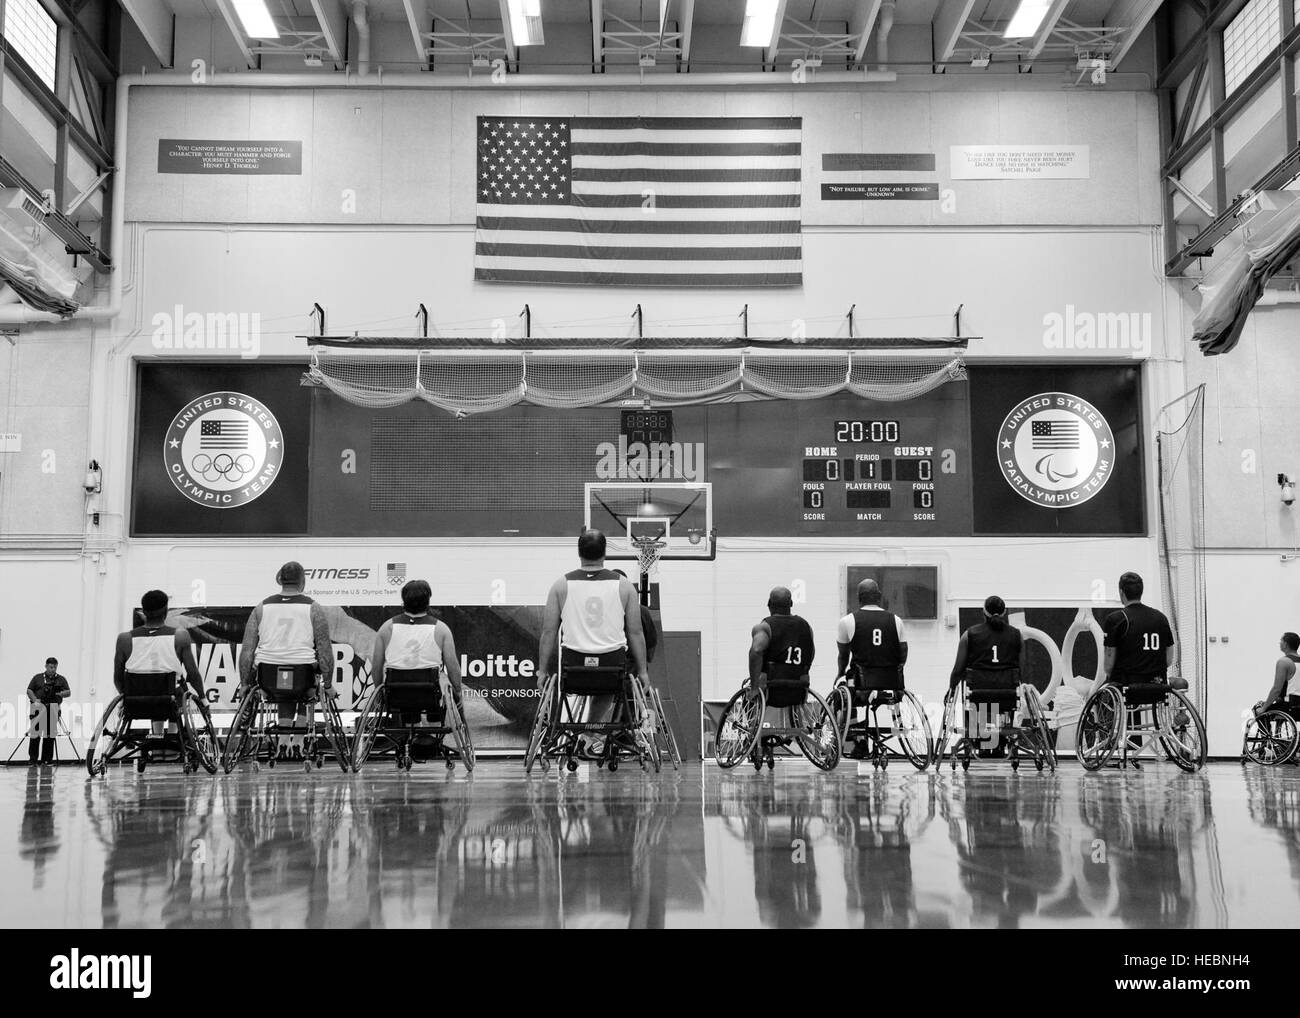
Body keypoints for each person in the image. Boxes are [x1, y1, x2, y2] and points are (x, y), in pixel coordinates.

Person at [538, 529, 648, 757]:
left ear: (579, 552)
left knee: (579, 679)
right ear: (605, 552)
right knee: (608, 686)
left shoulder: (560, 585)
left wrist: (541, 672)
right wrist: (644, 672)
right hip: (610, 669)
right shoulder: (625, 586)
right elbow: (636, 633)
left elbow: (549, 632)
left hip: (573, 670)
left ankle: (570, 736)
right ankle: (587, 735)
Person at [238, 561, 335, 759]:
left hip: (269, 677)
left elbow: (247, 651)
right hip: (302, 675)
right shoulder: (313, 608)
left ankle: (283, 740)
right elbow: (325, 650)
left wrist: (245, 684)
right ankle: (299, 742)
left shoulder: (261, 607)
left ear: (280, 580)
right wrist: (329, 685)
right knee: (306, 687)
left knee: (283, 687)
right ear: (303, 581)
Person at [112, 590, 206, 736]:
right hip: (170, 701)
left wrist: (125, 697)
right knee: (175, 687)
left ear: (143, 612)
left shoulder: (124, 639)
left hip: (136, 703)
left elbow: (118, 678)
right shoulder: (180, 636)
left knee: (154, 691)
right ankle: (172, 740)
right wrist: (203, 698)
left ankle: (157, 740)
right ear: (166, 610)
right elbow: (193, 674)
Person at [371, 579, 464, 702]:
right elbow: (453, 667)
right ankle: (433, 719)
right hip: (429, 694)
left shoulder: (386, 628)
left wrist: (379, 691)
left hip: (395, 693)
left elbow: (376, 667)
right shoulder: (441, 629)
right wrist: (458, 691)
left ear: (404, 601)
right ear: (428, 601)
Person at [1089, 571, 1177, 696]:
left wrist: (1113, 676)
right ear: (1141, 591)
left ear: (1121, 592)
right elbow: (1169, 658)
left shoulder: (1116, 619)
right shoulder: (1161, 617)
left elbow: (1109, 663)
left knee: (1103, 695)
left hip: (1127, 685)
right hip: (1158, 684)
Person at [836, 578, 907, 689]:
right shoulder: (897, 620)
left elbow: (843, 655)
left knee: (845, 686)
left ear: (859, 598)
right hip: (891, 681)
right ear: (879, 596)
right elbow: (903, 653)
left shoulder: (847, 621)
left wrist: (840, 673)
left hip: (861, 682)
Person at [948, 595, 1023, 690]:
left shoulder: (969, 635)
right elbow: (1022, 671)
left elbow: (957, 671)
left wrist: (951, 690)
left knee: (988, 705)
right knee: (998, 704)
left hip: (978, 696)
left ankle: (990, 705)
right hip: (1008, 697)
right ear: (1004, 612)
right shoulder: (1017, 635)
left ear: (984, 612)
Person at [748, 586, 815, 691]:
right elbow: (810, 654)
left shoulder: (764, 627)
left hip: (770, 687)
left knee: (750, 690)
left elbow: (756, 651)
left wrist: (754, 686)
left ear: (769, 604)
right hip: (798, 688)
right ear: (791, 603)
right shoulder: (806, 626)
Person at [26, 658, 70, 764]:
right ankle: (33, 760)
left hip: (53, 707)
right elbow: (29, 690)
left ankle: (47, 760)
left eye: (55, 667)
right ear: (46, 666)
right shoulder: (37, 678)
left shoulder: (61, 679)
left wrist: (59, 694)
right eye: (51, 667)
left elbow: (68, 692)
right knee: (35, 734)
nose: (53, 669)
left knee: (50, 735)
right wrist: (34, 700)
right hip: (38, 707)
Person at [612, 568, 658, 664]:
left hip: (622, 663)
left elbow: (651, 640)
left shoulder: (641, 611)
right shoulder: (641, 611)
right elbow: (651, 641)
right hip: (627, 663)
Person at [1256, 631, 1300, 715]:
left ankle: (1263, 728)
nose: (1279, 643)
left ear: (1286, 644)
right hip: (1297, 705)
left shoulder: (1284, 662)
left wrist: (1263, 708)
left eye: (1281, 641)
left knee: (1258, 707)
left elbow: (1277, 689)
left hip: (1289, 706)